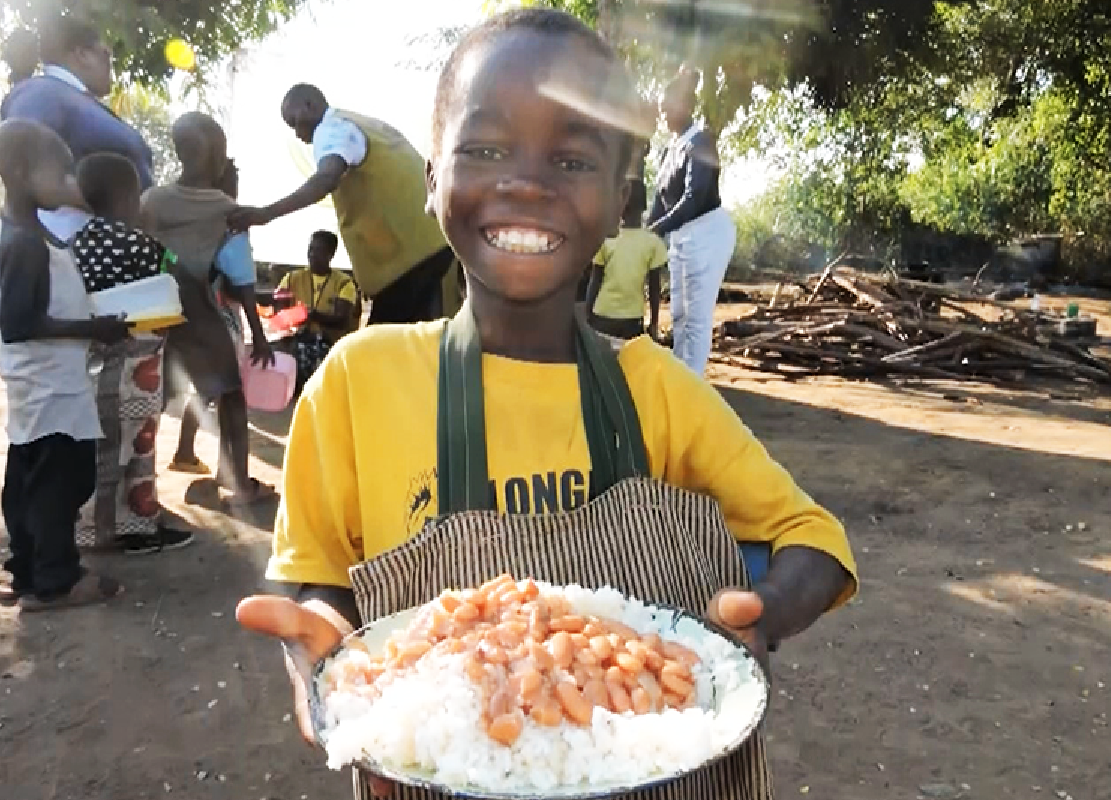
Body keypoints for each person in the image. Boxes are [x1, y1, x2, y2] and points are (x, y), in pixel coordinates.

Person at [236, 10, 857, 800]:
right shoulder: (358, 385)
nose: (525, 182)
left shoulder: (655, 388)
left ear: (618, 200)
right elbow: (312, 574)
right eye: (486, 149)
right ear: (434, 182)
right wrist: (324, 633)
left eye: (571, 158)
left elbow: (817, 539)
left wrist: (764, 612)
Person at [0, 119, 129, 611]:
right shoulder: (22, 241)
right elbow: (20, 321)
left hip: (36, 384)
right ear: (23, 172)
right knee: (59, 486)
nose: (69, 184)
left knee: (28, 482)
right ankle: (56, 582)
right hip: (50, 385)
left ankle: (29, 571)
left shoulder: (13, 230)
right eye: (59, 174)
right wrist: (95, 329)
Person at [226, 84, 462, 325]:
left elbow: (326, 179)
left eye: (295, 121)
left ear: (311, 105)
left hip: (413, 263)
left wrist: (266, 214)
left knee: (389, 349)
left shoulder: (330, 129)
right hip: (428, 248)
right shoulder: (360, 125)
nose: (298, 133)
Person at [141, 115, 277, 507]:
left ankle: (138, 490)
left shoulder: (152, 200)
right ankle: (239, 485)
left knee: (146, 398)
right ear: (218, 156)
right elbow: (243, 280)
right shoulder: (230, 211)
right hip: (198, 311)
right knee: (231, 395)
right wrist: (259, 332)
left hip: (152, 310)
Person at [71, 152, 194, 554]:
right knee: (139, 445)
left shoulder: (72, 245)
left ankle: (90, 524)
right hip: (138, 366)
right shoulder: (145, 246)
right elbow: (175, 279)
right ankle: (136, 528)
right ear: (128, 198)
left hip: (88, 366)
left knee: (99, 447)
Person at [0, 13, 153, 243]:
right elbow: (30, 169)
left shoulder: (72, 98)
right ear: (81, 54)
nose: (110, 63)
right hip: (83, 249)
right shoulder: (39, 94)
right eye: (105, 53)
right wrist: (122, 207)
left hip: (112, 242)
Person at [647, 66, 736, 375]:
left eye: (667, 108)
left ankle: (693, 384)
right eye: (661, 110)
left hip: (707, 231)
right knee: (680, 314)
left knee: (696, 318)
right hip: (681, 235)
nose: (663, 115)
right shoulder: (668, 150)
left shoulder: (701, 143)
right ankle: (682, 379)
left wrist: (656, 230)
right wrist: (642, 231)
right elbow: (660, 201)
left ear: (685, 106)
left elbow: (693, 198)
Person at [584, 179, 668, 341]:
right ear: (644, 207)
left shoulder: (607, 238)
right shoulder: (652, 242)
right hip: (632, 319)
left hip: (602, 317)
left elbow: (595, 281)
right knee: (628, 364)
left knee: (603, 363)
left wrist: (588, 315)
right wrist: (654, 322)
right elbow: (654, 288)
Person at [275, 230, 361, 387]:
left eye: (319, 250)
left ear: (331, 255)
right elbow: (280, 314)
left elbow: (342, 320)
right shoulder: (291, 278)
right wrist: (293, 319)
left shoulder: (344, 283)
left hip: (329, 342)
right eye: (311, 249)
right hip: (297, 338)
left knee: (315, 357)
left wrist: (312, 316)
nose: (312, 255)